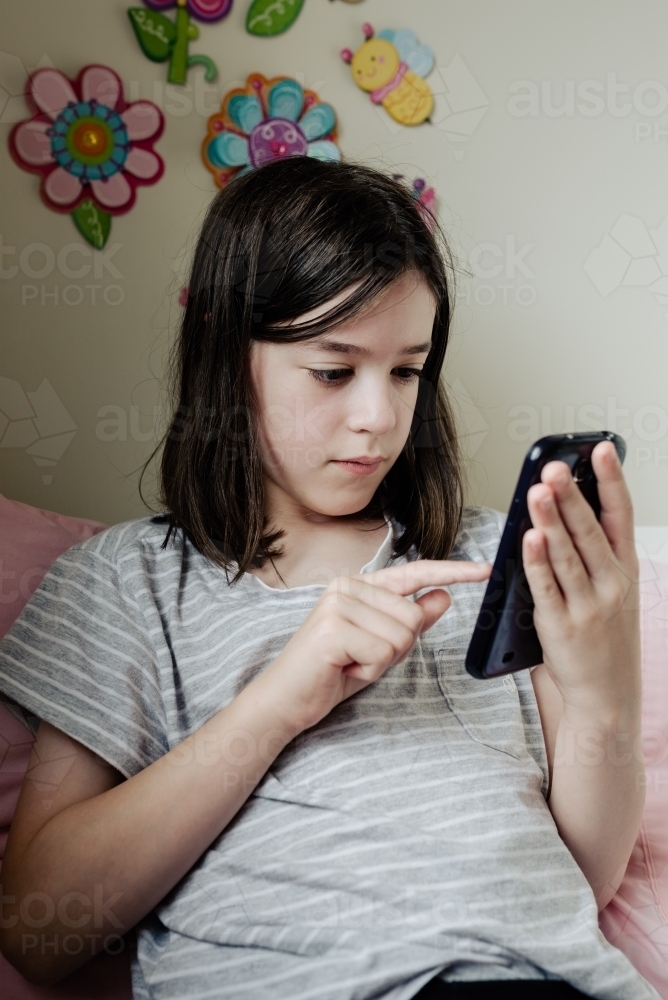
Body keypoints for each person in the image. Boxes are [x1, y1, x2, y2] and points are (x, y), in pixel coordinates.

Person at [0, 159, 657, 1000]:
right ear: (230, 361)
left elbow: (582, 878)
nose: (379, 418)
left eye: (407, 371)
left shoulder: (500, 558)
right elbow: (38, 930)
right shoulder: (128, 581)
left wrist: (603, 695)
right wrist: (281, 700)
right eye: (334, 370)